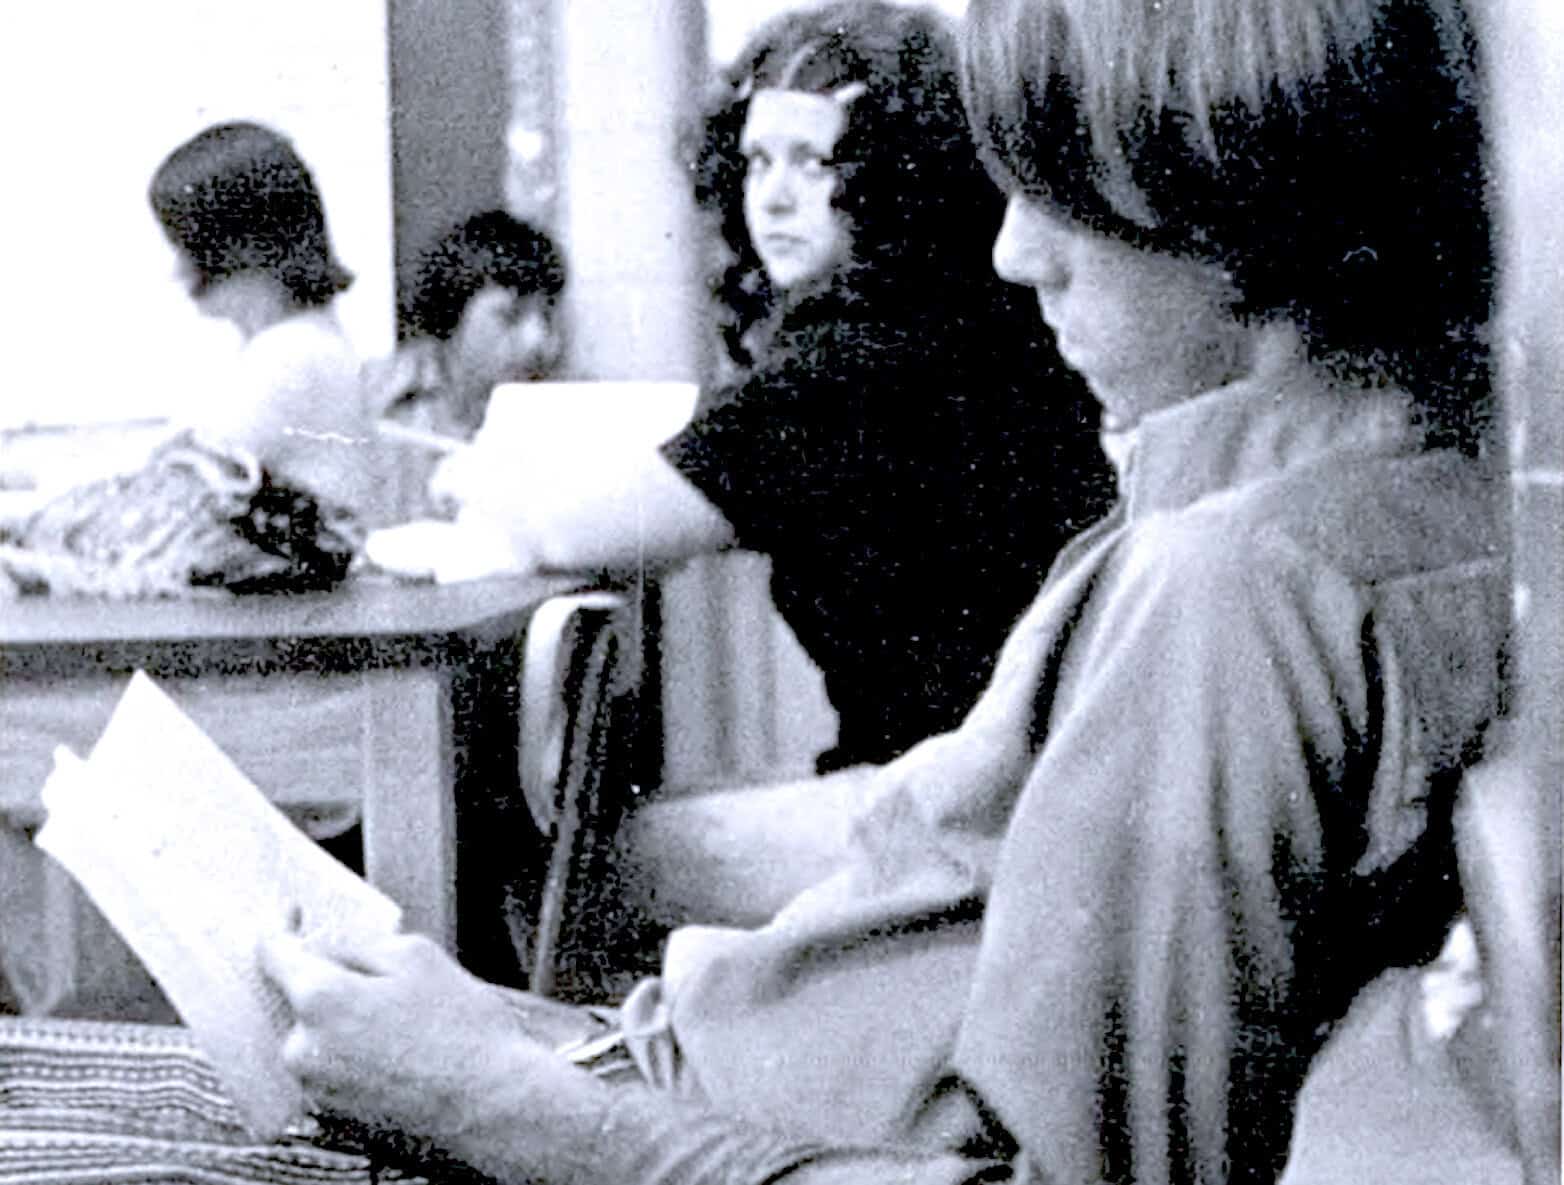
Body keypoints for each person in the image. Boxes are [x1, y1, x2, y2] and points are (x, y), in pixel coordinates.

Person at [258, 0, 1509, 1182]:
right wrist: (517, 1037)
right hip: (664, 1075)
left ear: (1239, 192)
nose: (1016, 255)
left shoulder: (1233, 589)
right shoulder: (1406, 503)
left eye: (1060, 189)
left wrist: (495, 1097)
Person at [432, 1, 1113, 772]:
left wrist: (476, 476)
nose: (774, 197)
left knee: (613, 866)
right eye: (758, 160)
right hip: (1016, 780)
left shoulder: (853, 365)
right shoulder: (960, 324)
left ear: (899, 172)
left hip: (952, 803)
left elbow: (562, 530)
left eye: (814, 162)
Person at [149, 121, 380, 522]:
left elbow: (151, 480)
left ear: (241, 245)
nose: (177, 271)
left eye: (186, 247)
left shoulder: (295, 357)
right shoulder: (297, 343)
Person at [371, 210, 568, 442]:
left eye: (546, 317)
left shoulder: (561, 415)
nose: (537, 339)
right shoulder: (377, 397)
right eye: (511, 316)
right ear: (451, 312)